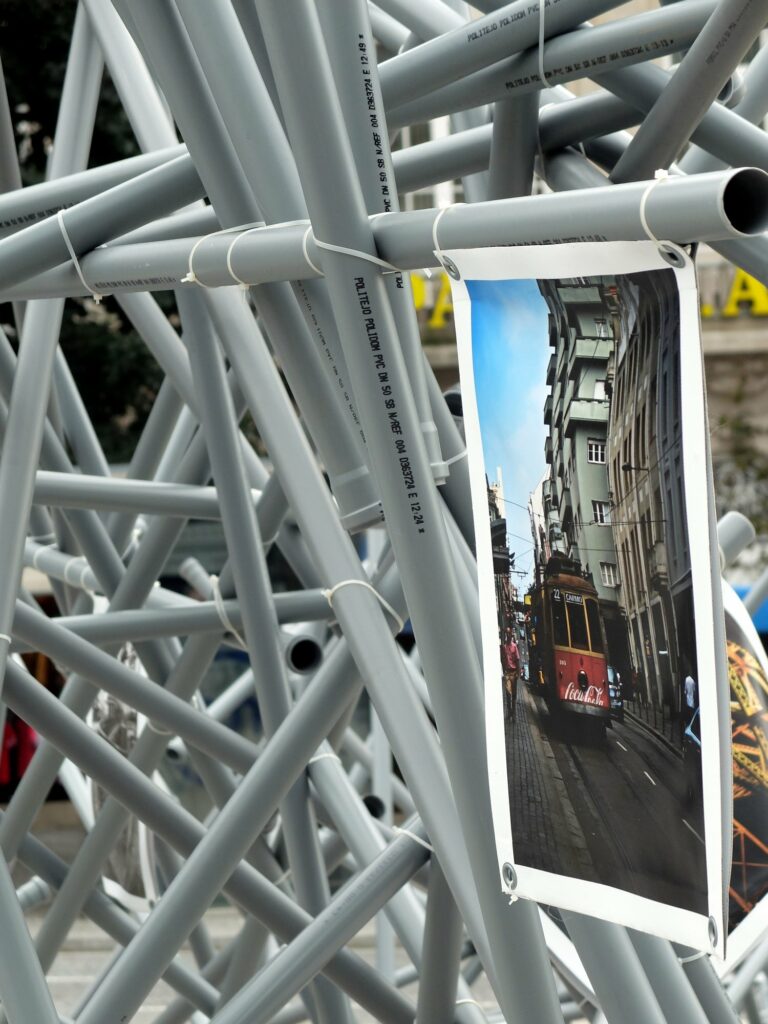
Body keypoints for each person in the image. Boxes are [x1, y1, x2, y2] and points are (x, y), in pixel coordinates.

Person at [501, 631, 521, 722]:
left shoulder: (514, 647)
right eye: (507, 634)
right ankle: (509, 713)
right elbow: (503, 659)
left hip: (513, 673)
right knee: (508, 694)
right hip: (507, 673)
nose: (508, 636)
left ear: (511, 636)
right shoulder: (504, 647)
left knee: (514, 695)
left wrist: (518, 673)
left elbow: (517, 660)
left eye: (509, 634)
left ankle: (514, 715)